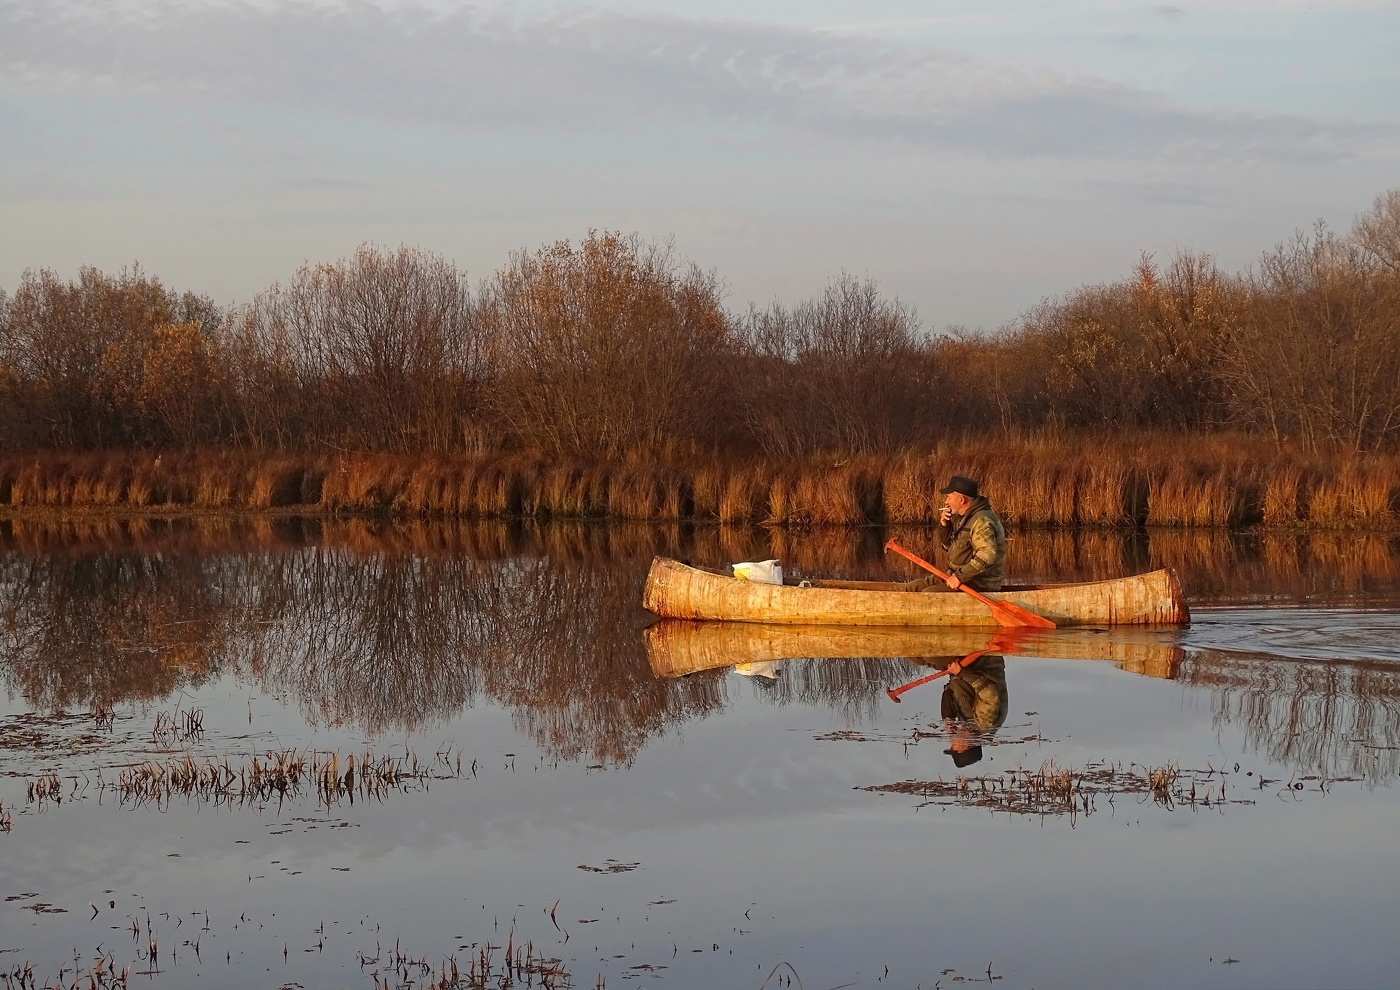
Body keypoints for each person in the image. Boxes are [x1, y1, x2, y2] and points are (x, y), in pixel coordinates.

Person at [904, 475, 1006, 593]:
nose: (946, 502)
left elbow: (987, 555)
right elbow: (950, 546)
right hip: (955, 576)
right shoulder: (962, 518)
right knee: (911, 588)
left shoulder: (981, 521)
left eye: (948, 497)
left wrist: (959, 577)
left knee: (928, 594)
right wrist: (945, 526)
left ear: (961, 500)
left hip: (977, 583)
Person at [939, 652, 1009, 768]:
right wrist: (961, 672)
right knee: (928, 657)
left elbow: (949, 690)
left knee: (918, 659)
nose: (951, 742)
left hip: (966, 664)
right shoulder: (986, 723)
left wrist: (948, 718)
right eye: (954, 747)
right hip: (984, 661)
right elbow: (990, 694)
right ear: (966, 746)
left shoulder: (967, 724)